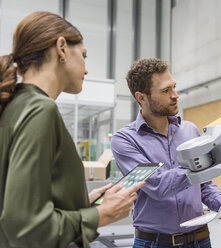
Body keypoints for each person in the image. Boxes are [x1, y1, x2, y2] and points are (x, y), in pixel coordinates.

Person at [0, 11, 145, 248]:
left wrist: (80, 205)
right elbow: (25, 226)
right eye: (84, 56)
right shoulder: (40, 111)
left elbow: (15, 203)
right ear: (61, 48)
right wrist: (102, 214)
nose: (86, 69)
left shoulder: (14, 107)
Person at [111, 58, 221, 248]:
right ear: (141, 97)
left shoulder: (190, 130)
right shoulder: (125, 140)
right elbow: (158, 185)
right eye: (166, 91)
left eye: (174, 87)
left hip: (200, 240)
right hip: (155, 243)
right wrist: (201, 163)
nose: (175, 95)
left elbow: (203, 184)